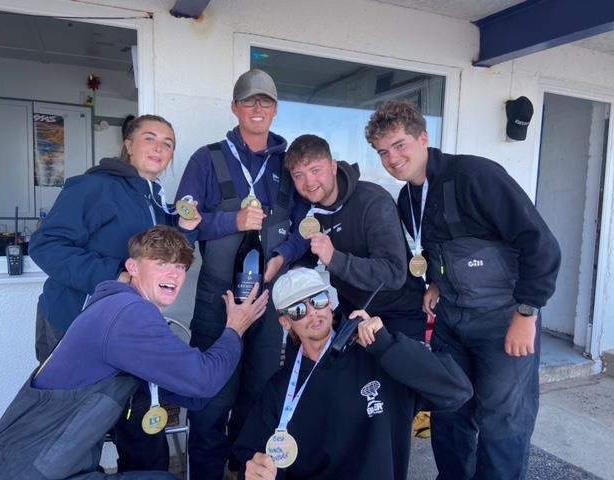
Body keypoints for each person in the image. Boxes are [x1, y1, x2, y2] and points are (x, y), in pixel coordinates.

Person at [0, 225, 269, 480]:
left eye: (180, 266)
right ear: (132, 267)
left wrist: (200, 373)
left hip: (45, 465)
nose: (174, 274)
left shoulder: (117, 307)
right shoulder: (127, 314)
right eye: (160, 262)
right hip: (31, 471)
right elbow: (204, 380)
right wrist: (235, 328)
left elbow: (195, 393)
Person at [365, 100, 561, 480]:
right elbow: (438, 250)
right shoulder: (407, 198)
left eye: (400, 145)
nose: (392, 158)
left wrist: (526, 313)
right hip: (452, 321)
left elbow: (540, 243)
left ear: (423, 138)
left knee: (501, 422)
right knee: (450, 412)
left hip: (503, 321)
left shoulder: (474, 175)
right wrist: (437, 281)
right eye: (383, 152)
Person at [29, 114, 201, 472]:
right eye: (149, 138)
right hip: (75, 327)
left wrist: (185, 230)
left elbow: (161, 258)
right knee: (77, 436)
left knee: (139, 426)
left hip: (128, 330)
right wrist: (115, 275)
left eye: (167, 143)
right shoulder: (94, 187)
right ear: (128, 144)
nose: (159, 147)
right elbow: (46, 245)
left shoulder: (155, 200)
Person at [175, 69, 309, 478]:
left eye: (265, 101)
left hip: (269, 302)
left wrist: (283, 255)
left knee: (259, 393)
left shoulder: (290, 165)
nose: (257, 108)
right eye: (249, 100)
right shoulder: (207, 158)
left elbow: (306, 227)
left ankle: (242, 470)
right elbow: (183, 224)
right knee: (211, 395)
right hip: (219, 300)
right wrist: (233, 221)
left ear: (274, 110)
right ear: (235, 108)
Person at [233, 267, 473, 480]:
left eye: (317, 300)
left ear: (330, 302)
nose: (313, 313)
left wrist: (388, 345)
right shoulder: (280, 389)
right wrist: (253, 471)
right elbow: (250, 453)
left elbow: (457, 391)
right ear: (286, 323)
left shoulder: (382, 360)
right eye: (298, 309)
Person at [284, 134, 427, 340]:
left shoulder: (374, 202)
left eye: (316, 170)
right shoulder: (311, 209)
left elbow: (393, 273)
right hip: (353, 309)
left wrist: (334, 258)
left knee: (390, 371)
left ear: (333, 167)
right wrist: (298, 271)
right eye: (298, 175)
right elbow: (310, 250)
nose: (309, 182)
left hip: (398, 313)